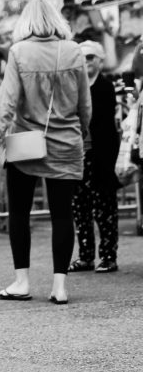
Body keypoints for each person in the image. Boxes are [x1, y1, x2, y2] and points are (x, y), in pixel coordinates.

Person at [0, 0, 90, 305]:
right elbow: (85, 104)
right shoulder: (74, 51)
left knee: (19, 212)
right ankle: (59, 287)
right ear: (57, 19)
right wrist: (80, 132)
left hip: (25, 144)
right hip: (67, 142)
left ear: (26, 22)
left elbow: (6, 105)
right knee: (62, 214)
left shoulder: (19, 52)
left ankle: (22, 281)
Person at [69, 40, 120, 273]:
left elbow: (104, 123)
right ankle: (86, 255)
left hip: (100, 155)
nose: (86, 61)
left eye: (90, 57)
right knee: (80, 208)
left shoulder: (105, 87)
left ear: (100, 60)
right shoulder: (73, 86)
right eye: (82, 57)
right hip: (78, 155)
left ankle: (108, 256)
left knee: (104, 208)